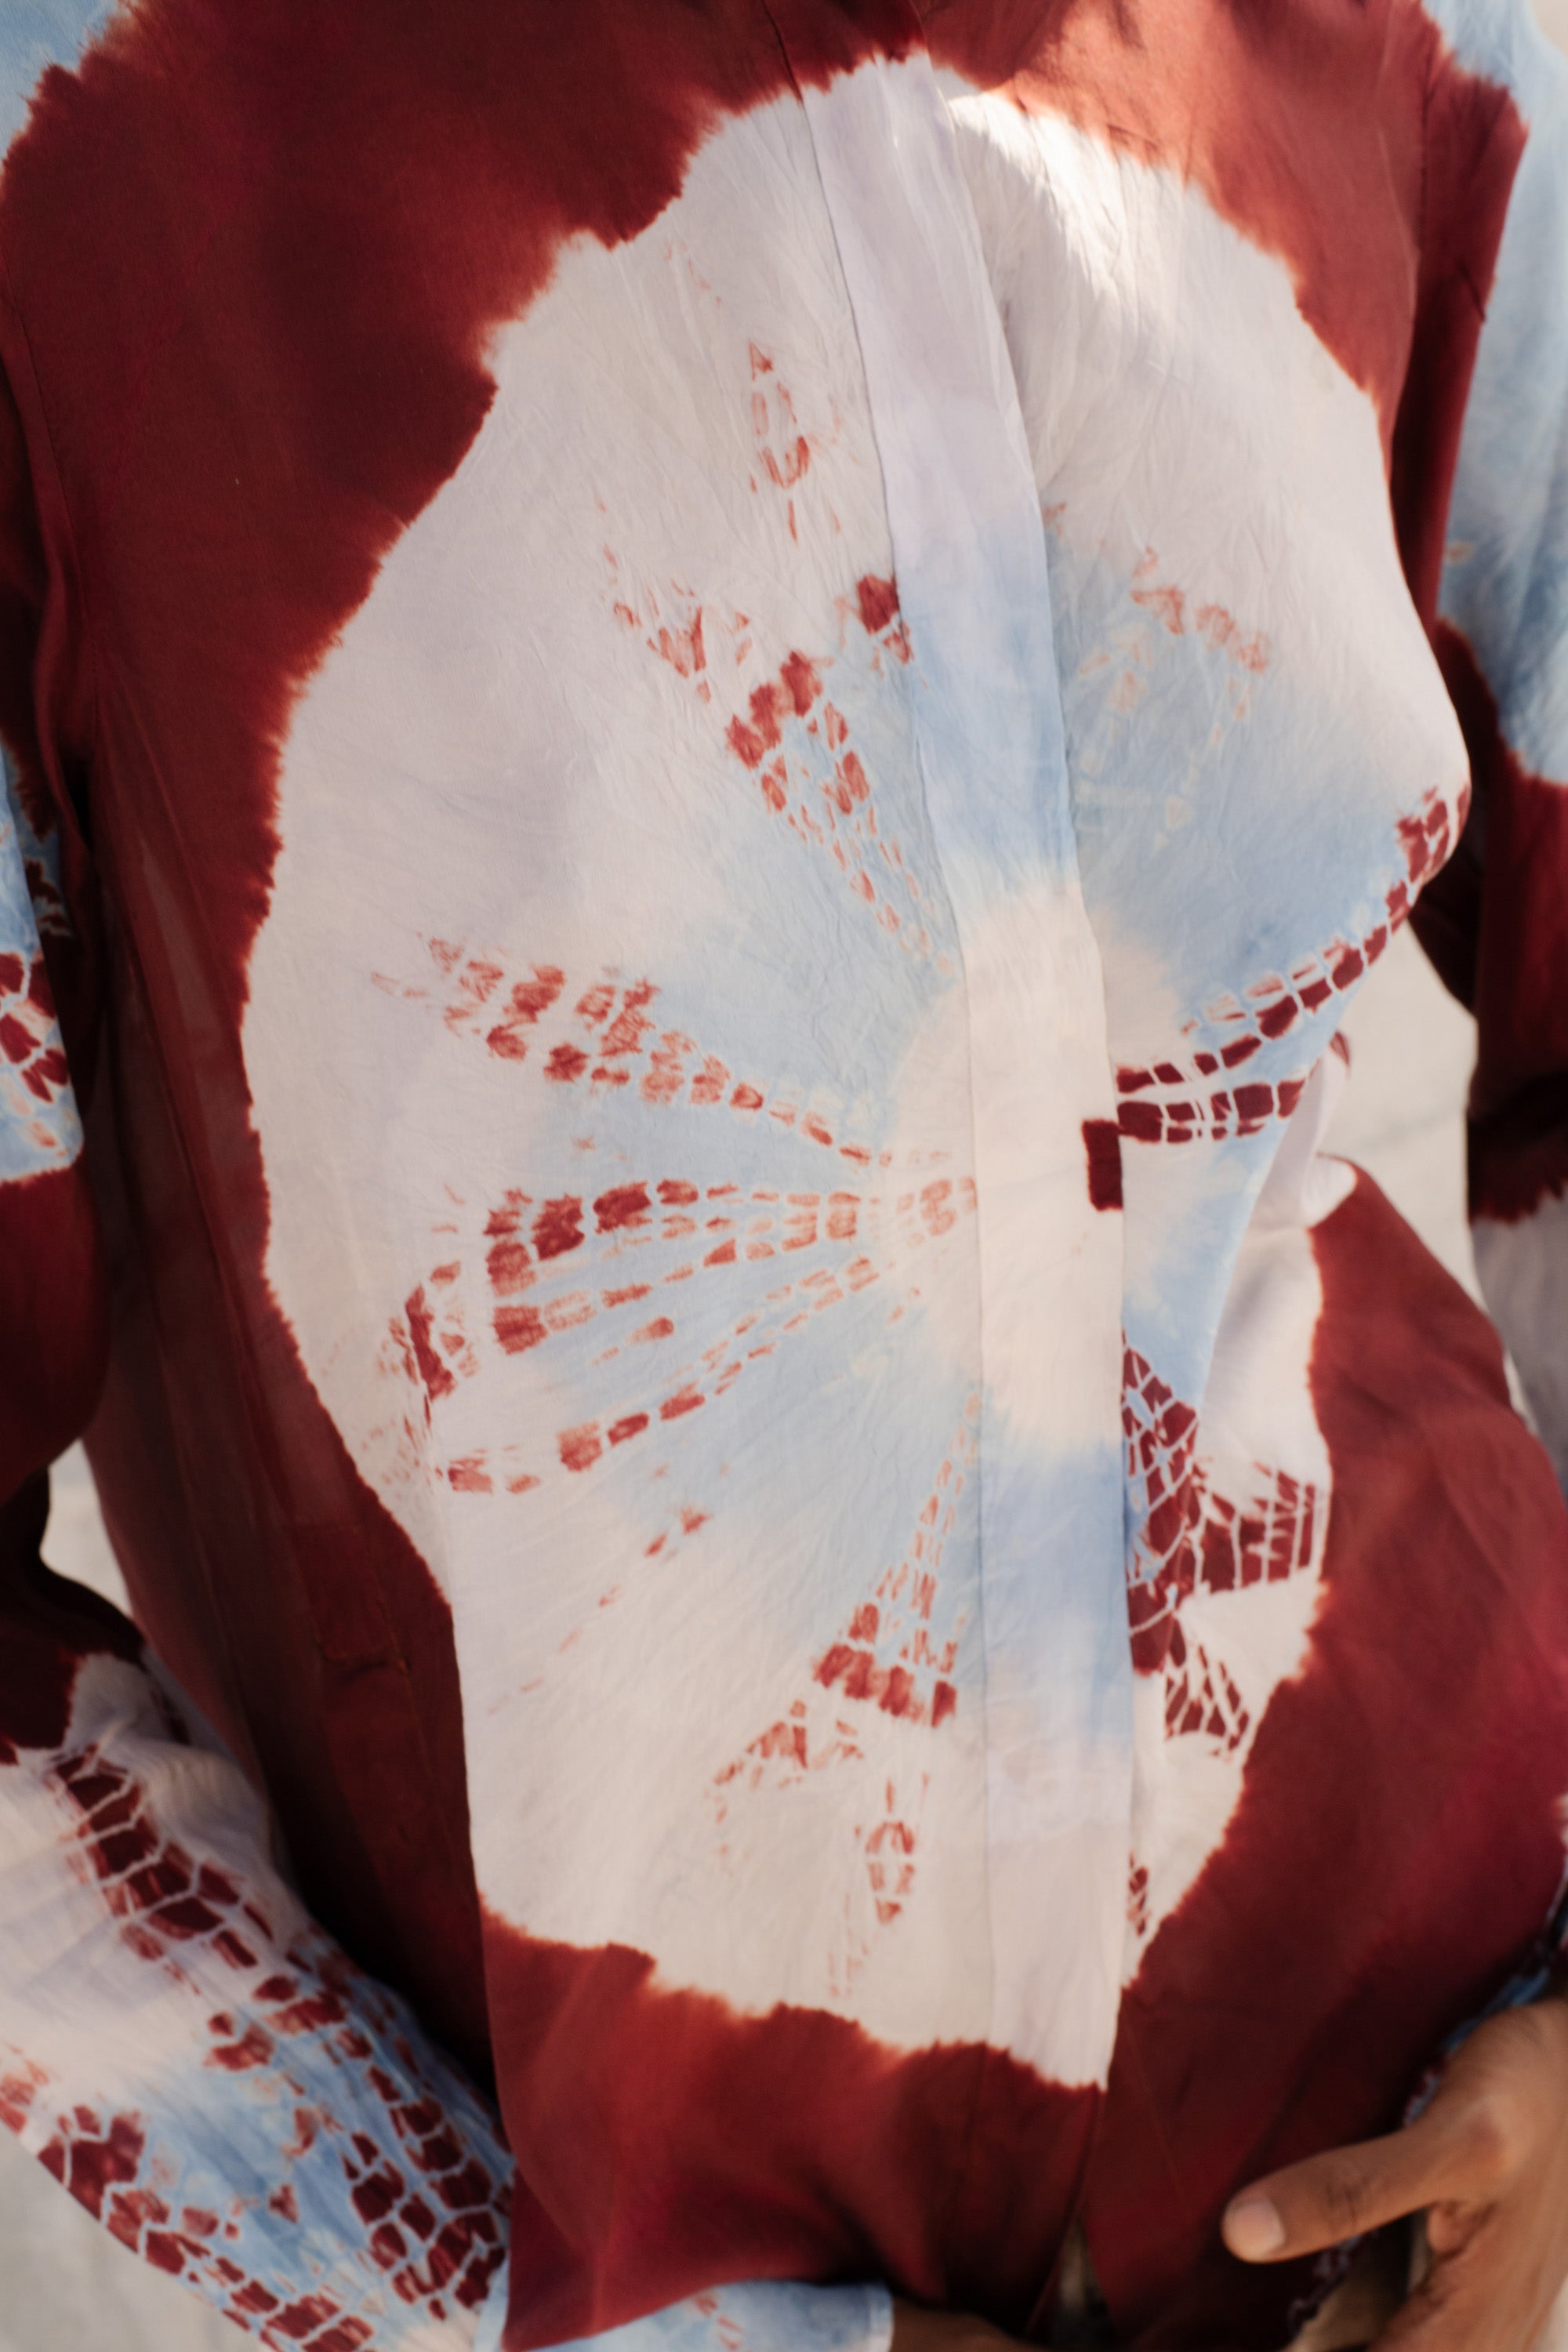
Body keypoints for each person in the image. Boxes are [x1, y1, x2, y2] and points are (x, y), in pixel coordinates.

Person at [4, 2, 1568, 2348]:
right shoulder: (84, 123)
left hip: (1435, 2181)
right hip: (588, 2241)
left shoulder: (1412, 38)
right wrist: (506, 2290)